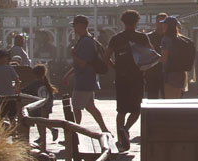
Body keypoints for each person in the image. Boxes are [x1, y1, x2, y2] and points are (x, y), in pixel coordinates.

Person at [106, 10, 152, 151]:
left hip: (121, 77)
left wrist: (116, 68)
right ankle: (125, 129)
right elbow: (151, 55)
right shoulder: (142, 37)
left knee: (121, 110)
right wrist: (144, 69)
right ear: (137, 21)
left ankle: (121, 140)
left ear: (123, 22)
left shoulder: (116, 38)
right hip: (137, 77)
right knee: (136, 109)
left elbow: (106, 57)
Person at [69, 15, 109, 132]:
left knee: (76, 107)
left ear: (81, 25)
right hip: (89, 79)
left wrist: (73, 55)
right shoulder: (86, 39)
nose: (74, 28)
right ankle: (104, 129)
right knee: (90, 106)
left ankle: (74, 131)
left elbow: (83, 63)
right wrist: (68, 75)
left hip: (84, 80)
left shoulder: (85, 41)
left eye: (75, 25)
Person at [21, 63, 57, 149]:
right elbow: (51, 95)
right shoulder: (45, 83)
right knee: (43, 121)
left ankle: (47, 134)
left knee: (39, 122)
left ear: (34, 74)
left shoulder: (34, 84)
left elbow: (24, 91)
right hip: (47, 106)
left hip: (38, 107)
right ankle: (43, 136)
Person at [0, 50, 21, 124]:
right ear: (2, 58)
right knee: (12, 117)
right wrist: (16, 89)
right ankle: (14, 132)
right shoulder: (9, 68)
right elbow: (17, 80)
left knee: (0, 118)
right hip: (10, 97)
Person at [144, 13, 168, 100]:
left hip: (167, 71)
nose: (161, 24)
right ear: (155, 22)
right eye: (159, 21)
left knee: (167, 98)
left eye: (163, 21)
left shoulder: (170, 37)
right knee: (152, 97)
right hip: (152, 71)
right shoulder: (148, 37)